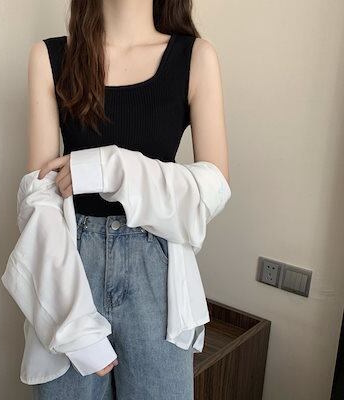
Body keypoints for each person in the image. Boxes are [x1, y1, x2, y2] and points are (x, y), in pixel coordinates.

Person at [27, 0, 229, 398]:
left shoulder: (195, 57)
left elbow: (213, 187)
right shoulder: (50, 57)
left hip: (158, 270)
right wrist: (71, 318)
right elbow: (38, 198)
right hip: (71, 265)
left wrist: (110, 168)